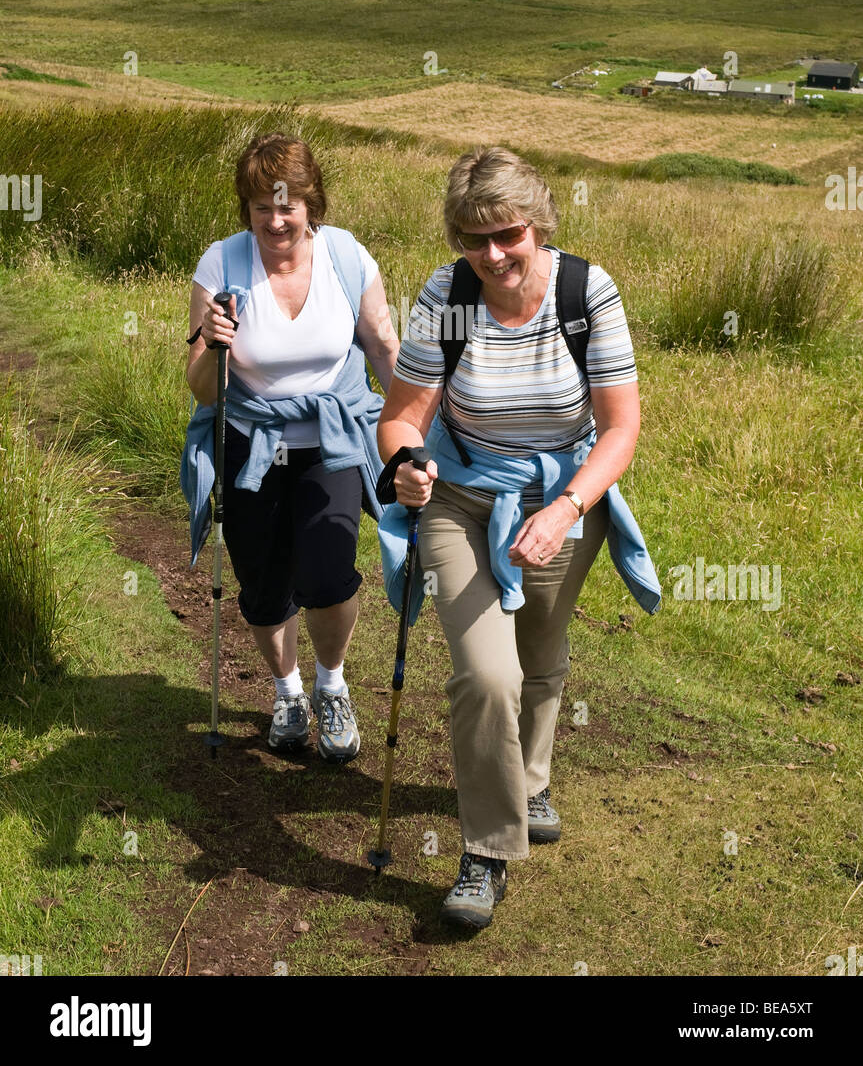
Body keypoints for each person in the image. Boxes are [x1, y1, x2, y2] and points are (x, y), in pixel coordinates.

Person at [377, 147, 659, 929]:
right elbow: (401, 416)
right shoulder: (445, 295)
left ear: (537, 224)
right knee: (486, 674)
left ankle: (530, 777)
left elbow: (619, 426)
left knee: (539, 651)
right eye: (473, 239)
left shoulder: (583, 291)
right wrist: (405, 462)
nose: (492, 255)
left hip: (564, 498)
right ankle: (485, 852)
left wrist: (566, 508)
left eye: (507, 234)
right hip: (461, 502)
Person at [182, 131, 399, 762]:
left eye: (288, 205)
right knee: (263, 582)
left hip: (330, 441)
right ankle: (287, 692)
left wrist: (416, 432)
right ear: (245, 209)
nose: (275, 220)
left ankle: (331, 684)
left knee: (327, 573)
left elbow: (384, 351)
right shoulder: (220, 265)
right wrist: (216, 345)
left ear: (312, 203)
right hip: (250, 441)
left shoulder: (347, 258)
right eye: (260, 207)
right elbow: (202, 391)